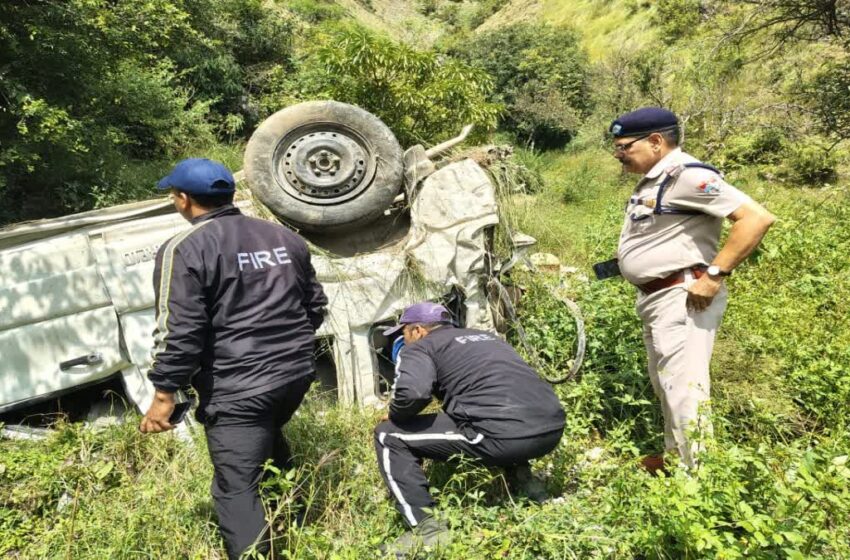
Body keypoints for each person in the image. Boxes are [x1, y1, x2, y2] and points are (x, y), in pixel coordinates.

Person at [138, 158, 327, 559]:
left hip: (238, 387)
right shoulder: (283, 237)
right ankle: (290, 524)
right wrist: (285, 349)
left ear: (184, 199)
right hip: (296, 374)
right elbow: (315, 307)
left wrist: (163, 393)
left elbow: (179, 329)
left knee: (235, 488)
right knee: (268, 439)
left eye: (173, 195)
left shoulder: (184, 248)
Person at [609, 108, 776, 470]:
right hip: (657, 297)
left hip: (682, 295)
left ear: (656, 141)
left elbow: (756, 218)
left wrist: (715, 275)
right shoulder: (656, 179)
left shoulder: (688, 176)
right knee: (666, 383)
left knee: (685, 389)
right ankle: (676, 458)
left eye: (624, 147)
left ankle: (698, 480)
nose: (619, 155)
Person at [374, 302, 566, 557]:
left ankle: (427, 530)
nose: (403, 340)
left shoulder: (422, 346)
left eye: (404, 333)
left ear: (418, 330)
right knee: (488, 408)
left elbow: (412, 394)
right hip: (552, 428)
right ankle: (527, 484)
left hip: (503, 437)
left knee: (388, 434)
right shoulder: (486, 338)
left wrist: (396, 413)